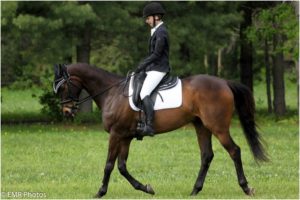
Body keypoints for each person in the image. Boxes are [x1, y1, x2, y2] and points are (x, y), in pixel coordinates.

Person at [136, 2, 171, 136]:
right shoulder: (157, 31)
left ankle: (150, 126)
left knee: (144, 92)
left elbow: (156, 54)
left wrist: (142, 65)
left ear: (156, 17)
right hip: (153, 68)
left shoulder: (161, 32)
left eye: (148, 18)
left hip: (159, 69)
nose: (146, 21)